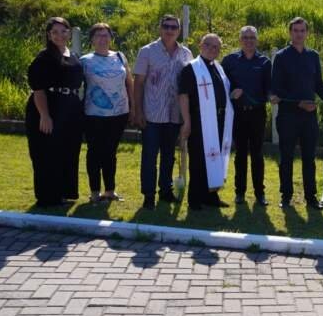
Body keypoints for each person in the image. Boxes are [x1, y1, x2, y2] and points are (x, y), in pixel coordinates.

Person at [270, 17, 323, 209]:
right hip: (288, 116)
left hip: (309, 117)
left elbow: (319, 84)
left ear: (307, 33)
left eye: (302, 30)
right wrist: (298, 103)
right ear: (290, 33)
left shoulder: (313, 56)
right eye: (295, 30)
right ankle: (286, 196)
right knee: (286, 157)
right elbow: (277, 88)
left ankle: (311, 198)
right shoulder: (282, 56)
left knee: (309, 158)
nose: (299, 34)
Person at [133, 14, 193, 209]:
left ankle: (165, 191)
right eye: (166, 26)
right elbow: (138, 83)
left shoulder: (186, 54)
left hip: (174, 114)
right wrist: (138, 111)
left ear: (179, 30)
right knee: (149, 156)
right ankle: (148, 195)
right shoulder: (147, 51)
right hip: (152, 113)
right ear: (160, 28)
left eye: (173, 27)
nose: (169, 30)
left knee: (168, 155)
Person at [25, 17, 84, 207]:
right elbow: (39, 89)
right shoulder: (44, 58)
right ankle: (48, 197)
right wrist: (44, 115)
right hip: (49, 107)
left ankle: (63, 193)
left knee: (67, 151)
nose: (60, 35)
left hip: (70, 109)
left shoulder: (72, 55)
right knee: (47, 153)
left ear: (69, 32)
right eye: (55, 32)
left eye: (63, 31)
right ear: (49, 35)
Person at [178, 34, 234, 211]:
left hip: (218, 120)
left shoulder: (218, 67)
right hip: (199, 120)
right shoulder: (191, 68)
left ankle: (210, 196)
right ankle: (195, 199)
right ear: (200, 45)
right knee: (198, 160)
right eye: (208, 45)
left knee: (214, 157)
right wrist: (186, 121)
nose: (212, 49)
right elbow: (183, 95)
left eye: (216, 47)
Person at [80, 23, 133, 203]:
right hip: (94, 115)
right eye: (98, 35)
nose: (103, 39)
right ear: (92, 40)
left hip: (119, 114)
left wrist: (133, 107)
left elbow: (129, 82)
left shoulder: (120, 57)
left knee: (111, 152)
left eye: (106, 35)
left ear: (111, 38)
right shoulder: (85, 61)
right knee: (95, 152)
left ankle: (110, 190)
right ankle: (95, 192)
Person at [221, 25, 271, 206]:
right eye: (245, 37)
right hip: (237, 114)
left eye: (252, 38)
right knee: (240, 154)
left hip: (258, 114)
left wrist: (272, 95)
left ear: (257, 40)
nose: (249, 41)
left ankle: (260, 194)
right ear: (240, 40)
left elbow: (269, 88)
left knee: (257, 154)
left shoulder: (265, 62)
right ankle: (239, 193)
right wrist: (230, 94)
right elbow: (220, 86)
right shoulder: (229, 61)